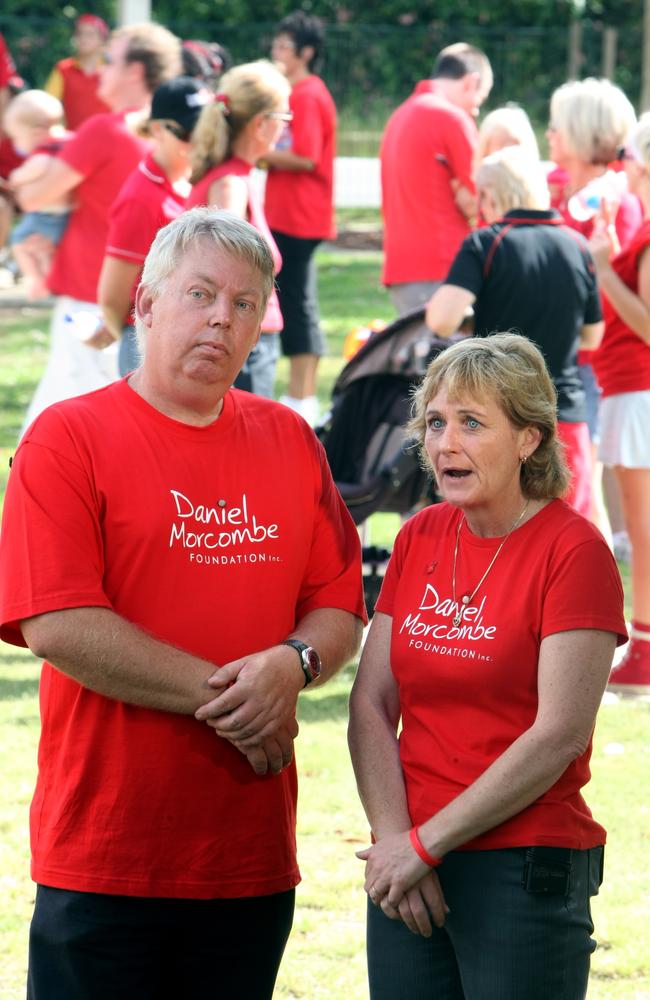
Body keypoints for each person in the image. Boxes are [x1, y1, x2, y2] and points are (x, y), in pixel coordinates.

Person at [0, 208, 366, 1000]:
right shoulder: (68, 439)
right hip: (106, 856)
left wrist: (294, 663)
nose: (220, 320)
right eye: (200, 294)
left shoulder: (289, 438)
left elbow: (339, 604)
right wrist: (244, 698)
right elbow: (59, 622)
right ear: (145, 303)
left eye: (243, 305)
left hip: (248, 856)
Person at [348, 333, 626, 1000]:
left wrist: (424, 847)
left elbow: (558, 733)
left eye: (472, 423)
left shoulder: (574, 551)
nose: (445, 444)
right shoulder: (419, 535)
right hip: (411, 857)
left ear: (529, 438)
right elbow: (370, 703)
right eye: (436, 422)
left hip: (523, 864)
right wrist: (397, 844)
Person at [15, 22, 181, 431]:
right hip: (144, 304)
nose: (100, 70)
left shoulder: (105, 129)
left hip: (91, 296)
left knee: (60, 425)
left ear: (135, 71)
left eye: (110, 60)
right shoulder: (173, 134)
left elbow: (33, 198)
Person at [425, 145, 604, 518]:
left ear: (489, 195)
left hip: (498, 422)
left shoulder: (487, 243)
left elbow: (440, 319)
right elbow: (592, 336)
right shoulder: (577, 245)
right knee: (569, 542)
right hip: (564, 414)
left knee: (501, 545)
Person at [547, 77, 640, 533]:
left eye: (557, 127)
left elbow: (611, 289)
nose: (549, 136)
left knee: (583, 480)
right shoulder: (559, 190)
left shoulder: (613, 202)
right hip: (569, 356)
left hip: (597, 362)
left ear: (582, 133)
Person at [589, 113, 650, 695]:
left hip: (640, 388)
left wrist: (606, 268)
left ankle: (646, 644)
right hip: (629, 385)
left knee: (644, 525)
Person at [187, 59, 291, 398]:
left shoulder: (234, 177)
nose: (285, 130)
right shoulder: (231, 183)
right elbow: (223, 265)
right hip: (244, 345)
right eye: (283, 119)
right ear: (261, 124)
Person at [98, 75, 210, 375]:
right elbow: (111, 298)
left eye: (208, 130)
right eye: (189, 131)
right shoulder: (142, 198)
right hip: (151, 353)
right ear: (159, 129)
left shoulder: (191, 182)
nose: (200, 141)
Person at [380, 42, 493, 315]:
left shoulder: (399, 115)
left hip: (403, 268)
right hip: (445, 268)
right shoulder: (451, 118)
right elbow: (485, 199)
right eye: (478, 101)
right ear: (471, 82)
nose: (475, 112)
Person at [263, 11, 337, 423]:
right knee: (292, 300)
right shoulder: (299, 91)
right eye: (276, 45)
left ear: (306, 53)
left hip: (299, 215)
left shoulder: (307, 94)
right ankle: (298, 395)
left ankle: (302, 398)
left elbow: (306, 156)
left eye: (285, 48)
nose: (277, 53)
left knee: (297, 303)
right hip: (288, 213)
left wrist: (256, 152)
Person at [4, 90, 72, 299]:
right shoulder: (69, 142)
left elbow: (33, 170)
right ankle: (48, 280)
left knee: (19, 242)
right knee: (44, 250)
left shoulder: (43, 154)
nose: (16, 144)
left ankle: (35, 279)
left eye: (17, 137)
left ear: (36, 132)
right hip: (64, 215)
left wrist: (15, 176)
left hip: (46, 215)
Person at [44, 14, 110, 130]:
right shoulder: (63, 69)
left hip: (106, 140)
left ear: (102, 40)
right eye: (80, 34)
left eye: (90, 34)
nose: (83, 38)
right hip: (72, 141)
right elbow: (47, 105)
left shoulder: (111, 71)